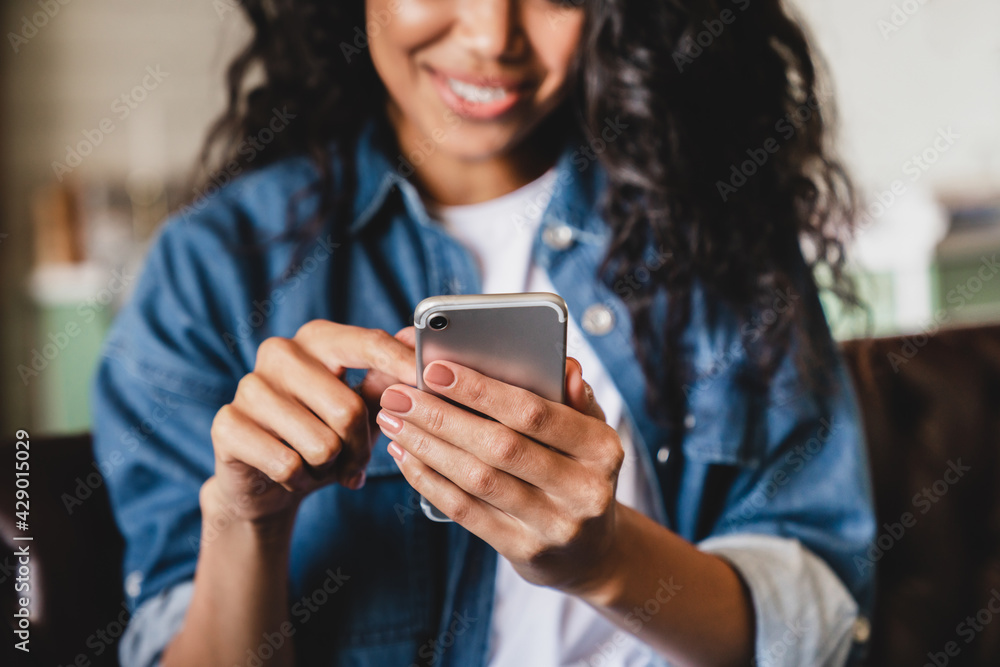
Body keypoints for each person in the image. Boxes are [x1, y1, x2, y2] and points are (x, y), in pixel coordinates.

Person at [91, 0, 876, 665]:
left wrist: (606, 561)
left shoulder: (716, 222)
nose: (492, 36)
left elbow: (821, 622)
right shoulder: (213, 269)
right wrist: (245, 522)